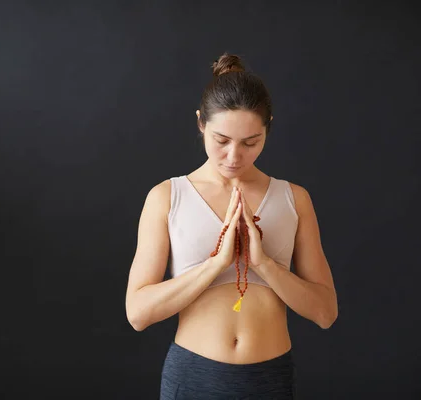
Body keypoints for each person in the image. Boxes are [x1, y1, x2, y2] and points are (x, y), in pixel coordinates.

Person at [124, 53, 338, 399]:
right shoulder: (167, 196)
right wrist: (216, 264)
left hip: (269, 378)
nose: (234, 157)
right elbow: (138, 313)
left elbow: (326, 313)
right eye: (221, 141)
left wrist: (264, 265)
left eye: (250, 143)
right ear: (200, 124)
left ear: (268, 126)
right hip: (194, 376)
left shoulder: (293, 199)